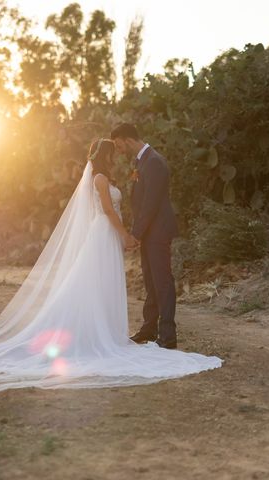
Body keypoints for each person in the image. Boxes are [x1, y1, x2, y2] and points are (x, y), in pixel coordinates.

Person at [0, 138, 221, 402]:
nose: (119, 157)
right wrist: (125, 235)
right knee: (97, 284)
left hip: (105, 236)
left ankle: (106, 330)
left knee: (101, 285)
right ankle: (100, 335)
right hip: (104, 235)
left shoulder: (102, 176)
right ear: (107, 155)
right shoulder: (101, 178)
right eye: (114, 152)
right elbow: (107, 210)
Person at [110, 124, 179, 349]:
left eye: (118, 144)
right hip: (149, 231)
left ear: (126, 139)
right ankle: (150, 328)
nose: (118, 150)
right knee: (151, 281)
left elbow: (151, 203)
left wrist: (135, 234)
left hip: (157, 230)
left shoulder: (154, 162)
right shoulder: (142, 161)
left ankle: (168, 335)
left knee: (162, 281)